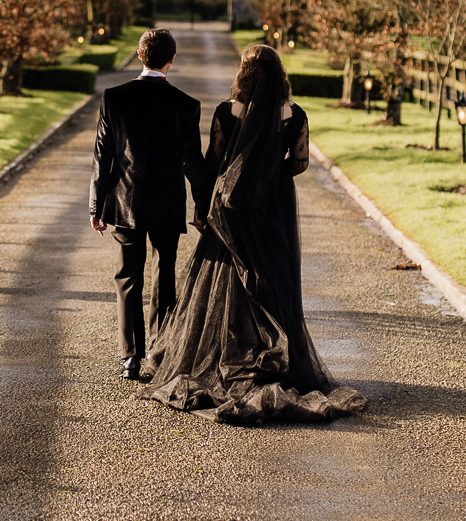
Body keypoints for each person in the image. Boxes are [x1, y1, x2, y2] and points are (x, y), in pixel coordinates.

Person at [147, 44, 367, 425]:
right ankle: (274, 357)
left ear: (244, 74)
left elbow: (215, 163)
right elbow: (298, 163)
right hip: (273, 206)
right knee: (272, 277)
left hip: (231, 208)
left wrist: (209, 201)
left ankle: (225, 351)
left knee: (224, 281)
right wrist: (269, 173)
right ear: (279, 74)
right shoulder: (293, 115)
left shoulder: (225, 112)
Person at [90, 28, 209, 381]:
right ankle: (160, 351)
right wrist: (202, 206)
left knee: (127, 277)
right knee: (164, 277)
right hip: (168, 203)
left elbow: (103, 156)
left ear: (140, 56)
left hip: (126, 201)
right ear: (171, 60)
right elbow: (193, 161)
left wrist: (96, 205)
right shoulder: (187, 105)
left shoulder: (114, 97)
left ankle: (130, 357)